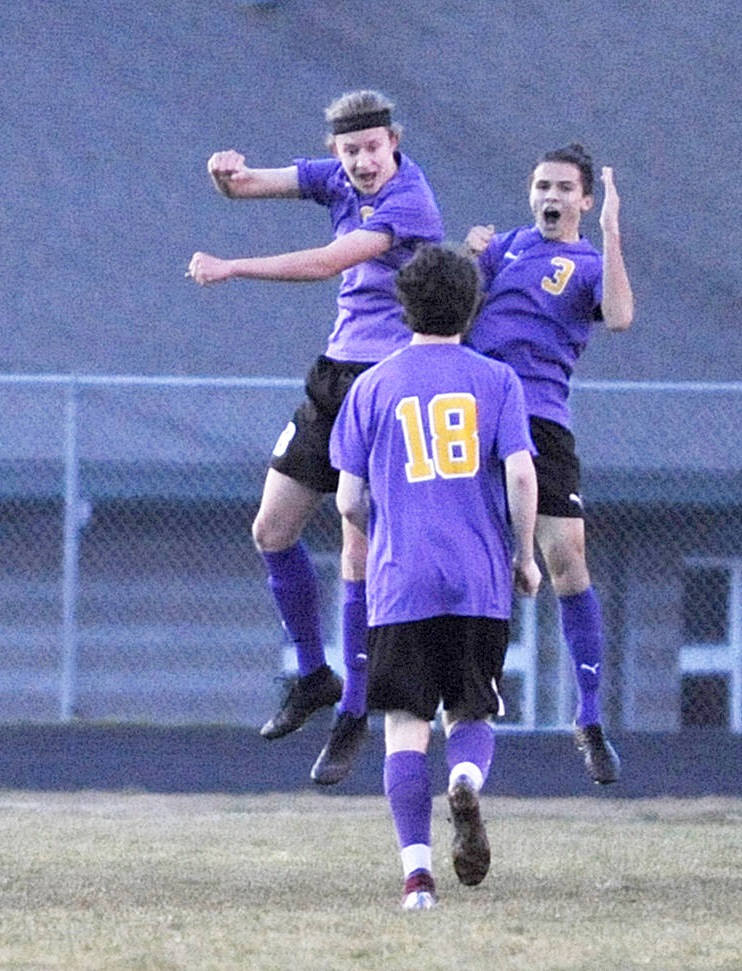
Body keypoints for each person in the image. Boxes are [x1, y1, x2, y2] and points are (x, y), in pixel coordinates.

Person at [187, 90, 444, 760]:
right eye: (349, 150)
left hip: (386, 386)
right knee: (271, 528)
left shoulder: (408, 200)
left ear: (395, 141)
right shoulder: (338, 175)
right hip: (333, 377)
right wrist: (225, 175)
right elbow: (246, 185)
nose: (361, 161)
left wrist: (233, 266)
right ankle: (314, 675)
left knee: (355, 548)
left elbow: (329, 262)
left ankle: (356, 710)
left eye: (372, 147)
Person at [329, 244, 541, 910]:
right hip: (476, 575)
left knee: (405, 726)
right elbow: (522, 473)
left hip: (401, 578)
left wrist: (386, 516)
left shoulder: (373, 385)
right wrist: (524, 552)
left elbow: (346, 499)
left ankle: (417, 876)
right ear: (472, 305)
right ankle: (469, 779)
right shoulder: (497, 380)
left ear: (404, 305)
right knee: (472, 708)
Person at [461, 143, 634, 785]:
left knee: (566, 556)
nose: (550, 197)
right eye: (541, 186)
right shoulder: (501, 248)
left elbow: (618, 317)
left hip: (538, 415)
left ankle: (588, 718)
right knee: (476, 556)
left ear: (584, 200)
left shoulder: (589, 260)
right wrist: (464, 256)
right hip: (474, 410)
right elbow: (436, 309)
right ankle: (470, 690)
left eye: (564, 188)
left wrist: (614, 233)